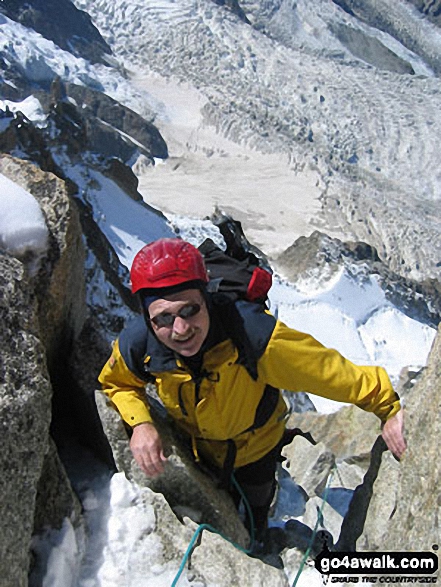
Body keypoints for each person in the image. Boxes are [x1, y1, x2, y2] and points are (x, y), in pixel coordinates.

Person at [99, 237, 406, 544]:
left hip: (256, 449)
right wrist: (140, 422)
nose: (180, 329)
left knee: (254, 514)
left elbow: (330, 374)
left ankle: (257, 540)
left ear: (206, 299)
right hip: (200, 451)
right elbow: (117, 382)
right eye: (164, 318)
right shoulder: (140, 345)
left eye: (190, 309)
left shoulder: (252, 334)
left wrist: (387, 408)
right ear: (148, 318)